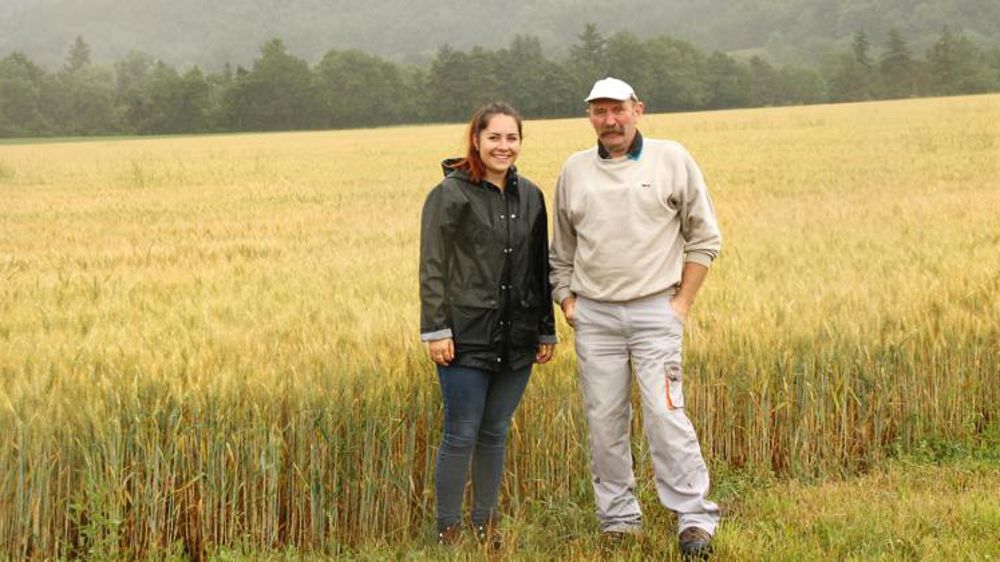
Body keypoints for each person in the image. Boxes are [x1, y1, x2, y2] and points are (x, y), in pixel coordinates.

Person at [549, 77, 722, 559]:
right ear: (590, 117)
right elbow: (561, 252)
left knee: (666, 414)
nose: (609, 120)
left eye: (617, 110)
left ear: (638, 110)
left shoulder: (672, 158)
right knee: (604, 421)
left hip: (655, 312)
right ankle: (619, 520)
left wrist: (680, 305)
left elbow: (704, 238)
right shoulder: (574, 171)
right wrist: (568, 303)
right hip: (595, 318)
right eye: (599, 112)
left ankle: (694, 517)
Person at [419, 101, 557, 547]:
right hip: (464, 337)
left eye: (511, 137)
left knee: (495, 432)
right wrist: (436, 329)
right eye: (494, 137)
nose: (504, 146)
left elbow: (540, 268)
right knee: (461, 432)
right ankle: (448, 530)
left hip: (517, 336)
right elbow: (433, 266)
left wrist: (545, 329)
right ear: (475, 140)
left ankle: (485, 523)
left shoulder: (532, 196)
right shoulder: (450, 195)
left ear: (520, 142)